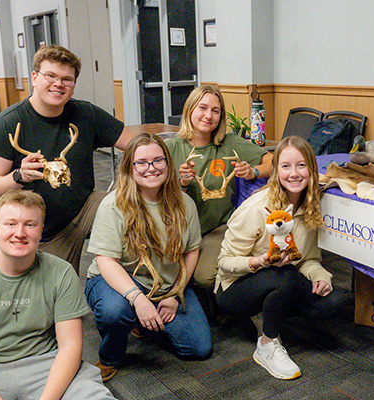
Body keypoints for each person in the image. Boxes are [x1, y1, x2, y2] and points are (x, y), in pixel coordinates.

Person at [0, 190, 116, 400]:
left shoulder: (62, 272)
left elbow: (70, 347)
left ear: (40, 231)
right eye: (11, 224)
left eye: (30, 225)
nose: (20, 233)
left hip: (48, 365)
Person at [0, 45, 136, 273]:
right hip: (44, 232)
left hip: (84, 210)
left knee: (131, 209)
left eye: (67, 79)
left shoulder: (85, 114)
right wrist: (18, 176)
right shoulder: (5, 125)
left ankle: (135, 284)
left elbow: (138, 147)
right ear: (34, 78)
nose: (58, 84)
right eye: (50, 76)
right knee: (55, 296)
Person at [215, 136, 348, 380]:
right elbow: (224, 263)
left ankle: (269, 311)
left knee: (335, 301)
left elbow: (309, 259)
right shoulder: (256, 208)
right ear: (276, 171)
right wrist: (261, 262)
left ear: (311, 169)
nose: (294, 173)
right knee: (284, 276)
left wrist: (320, 277)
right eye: (286, 166)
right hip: (234, 288)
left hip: (281, 278)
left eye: (301, 165)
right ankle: (267, 344)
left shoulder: (310, 205)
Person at [84, 133, 211, 382]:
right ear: (129, 168)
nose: (151, 168)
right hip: (118, 280)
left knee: (198, 349)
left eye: (158, 161)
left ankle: (141, 323)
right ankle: (111, 356)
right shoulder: (113, 205)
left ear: (168, 164)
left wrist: (176, 293)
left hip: (165, 284)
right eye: (141, 162)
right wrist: (137, 299)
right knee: (115, 312)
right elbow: (106, 261)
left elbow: (191, 251)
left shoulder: (185, 204)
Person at [164, 84, 273, 293]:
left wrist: (254, 172)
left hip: (217, 229)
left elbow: (275, 161)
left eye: (215, 111)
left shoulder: (229, 143)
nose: (208, 116)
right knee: (167, 275)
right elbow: (152, 194)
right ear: (190, 110)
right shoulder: (171, 147)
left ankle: (224, 307)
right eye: (202, 108)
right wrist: (181, 184)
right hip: (179, 231)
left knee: (204, 277)